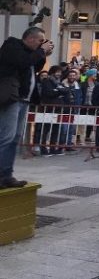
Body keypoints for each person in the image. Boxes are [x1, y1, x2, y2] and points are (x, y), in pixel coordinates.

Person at [0, 27, 52, 188]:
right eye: (40, 40)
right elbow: (23, 62)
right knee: (6, 137)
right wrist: (40, 52)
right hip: (12, 99)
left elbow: (34, 67)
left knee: (15, 138)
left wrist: (43, 55)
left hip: (23, 100)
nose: (41, 44)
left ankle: (7, 174)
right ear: (30, 38)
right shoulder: (12, 46)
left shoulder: (30, 54)